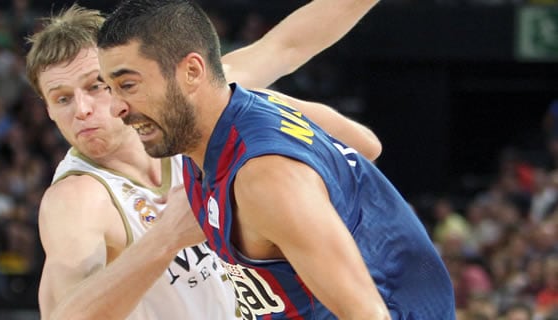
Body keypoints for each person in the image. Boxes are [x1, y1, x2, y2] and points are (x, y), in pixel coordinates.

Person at [97, 0, 456, 319]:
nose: (116, 108)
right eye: (109, 88)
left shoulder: (265, 180)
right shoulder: (231, 99)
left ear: (192, 72)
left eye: (128, 85)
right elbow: (366, 145)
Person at [26, 1, 381, 319]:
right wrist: (166, 237)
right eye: (62, 99)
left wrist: (264, 111)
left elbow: (287, 45)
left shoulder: (197, 108)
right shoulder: (77, 200)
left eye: (95, 86)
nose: (82, 110)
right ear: (48, 110)